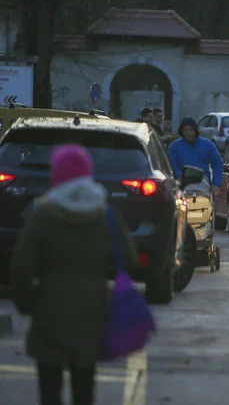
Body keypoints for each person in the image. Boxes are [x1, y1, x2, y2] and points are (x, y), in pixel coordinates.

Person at [10, 144, 139, 405]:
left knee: (49, 389)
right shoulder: (106, 215)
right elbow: (129, 261)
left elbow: (21, 266)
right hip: (93, 308)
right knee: (84, 386)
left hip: (49, 307)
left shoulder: (44, 215)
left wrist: (27, 303)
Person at [168, 117, 224, 195]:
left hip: (203, 184)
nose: (188, 132)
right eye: (185, 130)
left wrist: (216, 183)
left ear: (195, 130)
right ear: (182, 131)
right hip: (182, 185)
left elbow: (218, 164)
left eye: (191, 129)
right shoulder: (175, 146)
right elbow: (171, 166)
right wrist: (181, 177)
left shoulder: (207, 144)